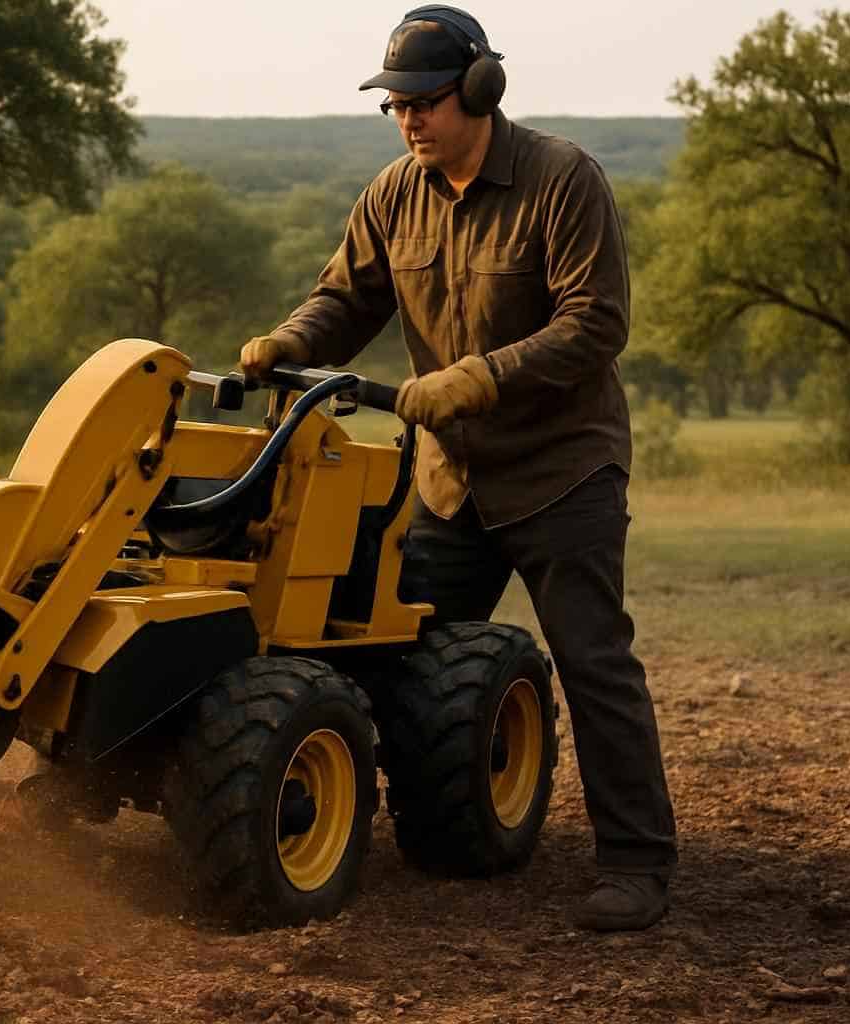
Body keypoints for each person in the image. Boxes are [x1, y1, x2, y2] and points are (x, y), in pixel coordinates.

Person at [239, 5, 677, 931]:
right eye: (394, 105)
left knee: (593, 661)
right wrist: (287, 341)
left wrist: (477, 377)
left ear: (479, 91)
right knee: (390, 649)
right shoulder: (395, 193)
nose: (408, 120)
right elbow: (344, 297)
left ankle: (637, 865)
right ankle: (440, 823)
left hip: (562, 471)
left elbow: (597, 324)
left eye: (424, 102)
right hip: (450, 483)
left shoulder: (563, 180)